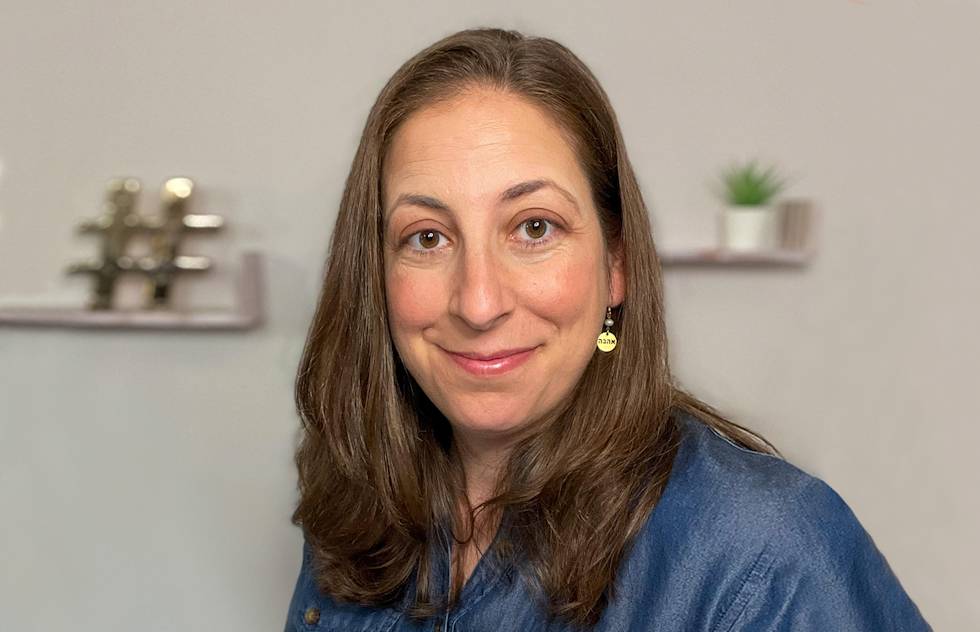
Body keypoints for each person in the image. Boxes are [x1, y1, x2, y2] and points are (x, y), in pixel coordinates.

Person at [283, 27, 931, 631]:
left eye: (534, 227)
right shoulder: (362, 514)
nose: (478, 303)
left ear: (616, 265)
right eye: (426, 237)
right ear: (376, 274)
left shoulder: (765, 551)